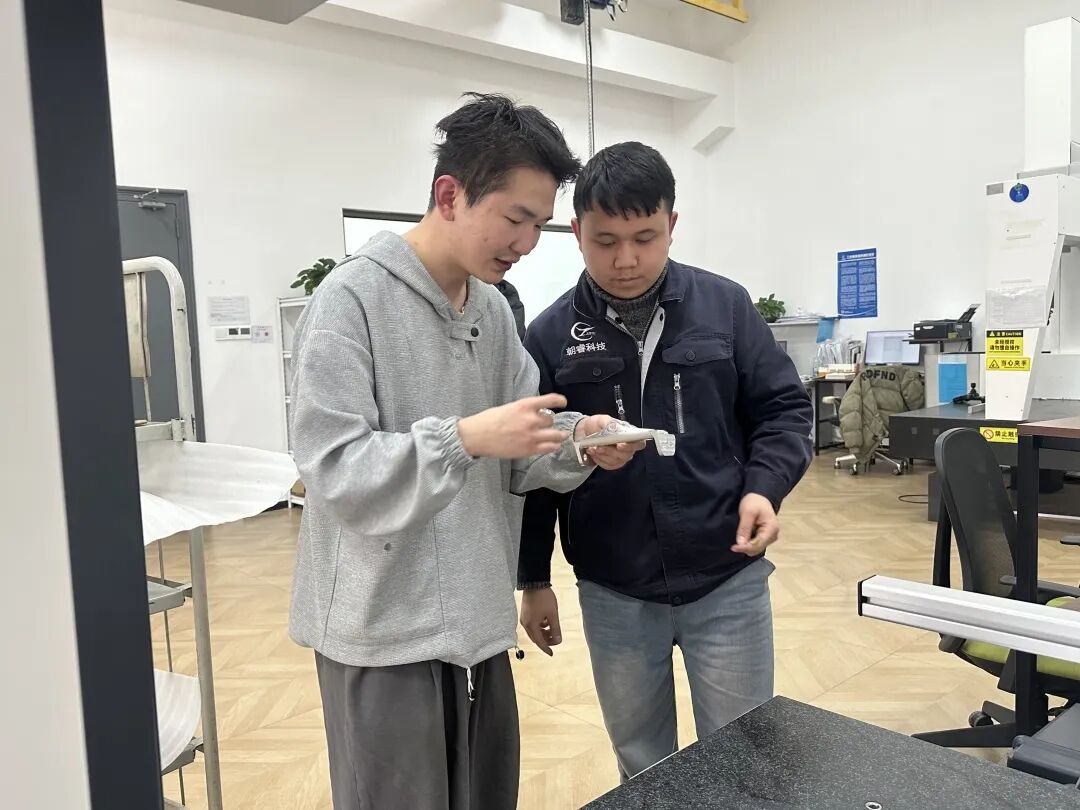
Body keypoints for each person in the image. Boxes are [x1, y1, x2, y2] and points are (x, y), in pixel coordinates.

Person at [288, 95, 644, 810]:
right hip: (382, 632)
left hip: (477, 625)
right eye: (516, 218)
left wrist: (579, 442)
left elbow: (520, 448)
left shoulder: (491, 311)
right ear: (450, 195)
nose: (527, 242)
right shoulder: (350, 300)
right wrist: (465, 438)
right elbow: (335, 471)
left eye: (539, 225)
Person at [517, 141, 813, 781]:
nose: (625, 260)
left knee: (745, 760)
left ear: (672, 225)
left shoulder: (725, 307)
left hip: (725, 574)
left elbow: (784, 410)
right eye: (605, 241)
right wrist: (533, 578)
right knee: (643, 764)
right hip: (614, 587)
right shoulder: (549, 335)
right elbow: (531, 463)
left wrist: (763, 488)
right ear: (576, 233)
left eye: (645, 238)